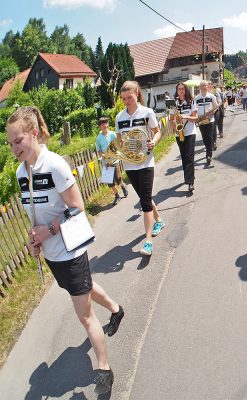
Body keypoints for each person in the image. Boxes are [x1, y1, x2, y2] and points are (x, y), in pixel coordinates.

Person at [7, 106, 124, 395]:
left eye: (18, 141)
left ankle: (105, 370)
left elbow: (77, 208)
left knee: (84, 316)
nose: (13, 148)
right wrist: (35, 241)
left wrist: (49, 231)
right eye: (9, 143)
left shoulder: (55, 164)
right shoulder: (22, 173)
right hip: (51, 255)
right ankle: (116, 309)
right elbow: (34, 216)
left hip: (70, 250)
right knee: (82, 287)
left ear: (34, 133)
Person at [116, 80, 165, 256]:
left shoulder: (146, 112)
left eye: (129, 97)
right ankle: (158, 219)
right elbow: (119, 140)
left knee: (144, 203)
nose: (127, 101)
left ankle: (148, 242)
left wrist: (153, 141)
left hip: (145, 162)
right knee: (145, 196)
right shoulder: (120, 117)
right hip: (130, 164)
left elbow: (157, 131)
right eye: (123, 99)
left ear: (137, 93)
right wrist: (119, 151)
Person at [95, 117, 128, 205]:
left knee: (118, 178)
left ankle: (123, 186)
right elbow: (98, 150)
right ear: (100, 127)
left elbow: (118, 145)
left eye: (105, 123)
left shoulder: (113, 134)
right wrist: (103, 155)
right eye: (102, 124)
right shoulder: (98, 138)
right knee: (109, 181)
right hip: (105, 162)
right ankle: (117, 195)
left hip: (114, 160)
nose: (104, 125)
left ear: (108, 124)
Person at [172, 82, 198, 192]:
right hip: (180, 133)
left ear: (185, 90)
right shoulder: (174, 103)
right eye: (179, 89)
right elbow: (171, 119)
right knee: (184, 157)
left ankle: (190, 182)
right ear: (177, 91)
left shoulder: (191, 101)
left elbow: (195, 117)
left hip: (190, 132)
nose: (181, 91)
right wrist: (175, 129)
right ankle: (188, 177)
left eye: (182, 89)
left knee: (189, 157)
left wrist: (185, 117)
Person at [195, 80, 219, 164]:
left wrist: (212, 112)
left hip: (210, 120)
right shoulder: (197, 98)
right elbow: (194, 109)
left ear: (207, 86)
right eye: (202, 85)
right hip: (201, 121)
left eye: (205, 85)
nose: (203, 87)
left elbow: (216, 107)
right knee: (204, 138)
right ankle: (209, 149)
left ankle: (208, 155)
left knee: (209, 137)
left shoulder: (212, 96)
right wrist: (197, 117)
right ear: (200, 87)